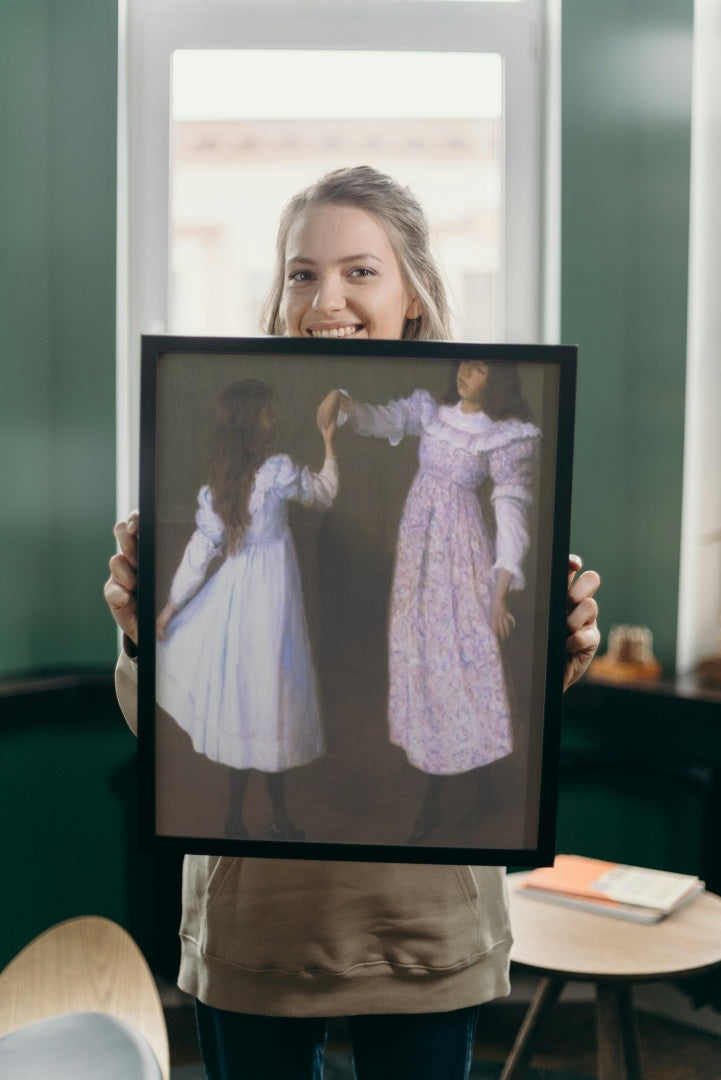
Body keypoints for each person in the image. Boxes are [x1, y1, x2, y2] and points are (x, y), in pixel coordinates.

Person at [105, 166, 601, 1080]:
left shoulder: (491, 423)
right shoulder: (222, 443)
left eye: (359, 271)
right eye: (301, 272)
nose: (324, 297)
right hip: (257, 927)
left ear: (413, 292)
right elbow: (163, 730)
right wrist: (144, 631)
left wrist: (554, 651)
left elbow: (521, 664)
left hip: (424, 926)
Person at [316, 361, 540, 843]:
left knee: (453, 669)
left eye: (482, 368)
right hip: (418, 554)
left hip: (459, 559)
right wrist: (344, 400)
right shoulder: (432, 413)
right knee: (424, 662)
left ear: (496, 380)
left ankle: (432, 803)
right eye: (467, 362)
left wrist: (499, 591)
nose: (468, 372)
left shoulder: (503, 437)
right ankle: (483, 790)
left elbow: (511, 512)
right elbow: (382, 418)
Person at [154, 379, 338, 841]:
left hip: (247, 601)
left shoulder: (232, 482)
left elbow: (203, 548)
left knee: (255, 700)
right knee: (265, 699)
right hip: (265, 604)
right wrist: (330, 445)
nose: (274, 419)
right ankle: (259, 816)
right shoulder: (275, 473)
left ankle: (252, 816)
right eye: (267, 413)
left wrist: (173, 603)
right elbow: (323, 493)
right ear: (249, 424)